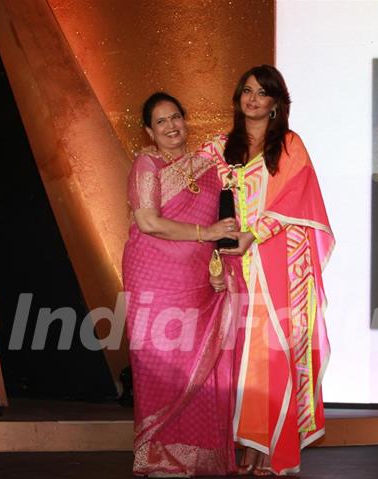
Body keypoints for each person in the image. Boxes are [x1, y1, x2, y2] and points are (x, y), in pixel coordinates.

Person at [200, 65, 335, 476]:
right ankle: (243, 442)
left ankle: (268, 447)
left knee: (269, 354)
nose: (252, 99)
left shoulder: (290, 146)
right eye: (246, 91)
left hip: (276, 264)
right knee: (236, 357)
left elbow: (298, 202)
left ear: (277, 103)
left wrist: (253, 234)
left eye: (262, 93)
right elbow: (196, 200)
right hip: (230, 266)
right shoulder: (218, 148)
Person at [123, 92, 240, 477]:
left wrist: (217, 265)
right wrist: (205, 231)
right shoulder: (147, 164)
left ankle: (197, 456)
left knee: (195, 364)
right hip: (152, 276)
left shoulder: (207, 168)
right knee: (158, 363)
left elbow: (221, 230)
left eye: (176, 117)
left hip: (195, 280)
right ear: (148, 131)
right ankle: (158, 455)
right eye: (161, 121)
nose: (171, 126)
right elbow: (149, 222)